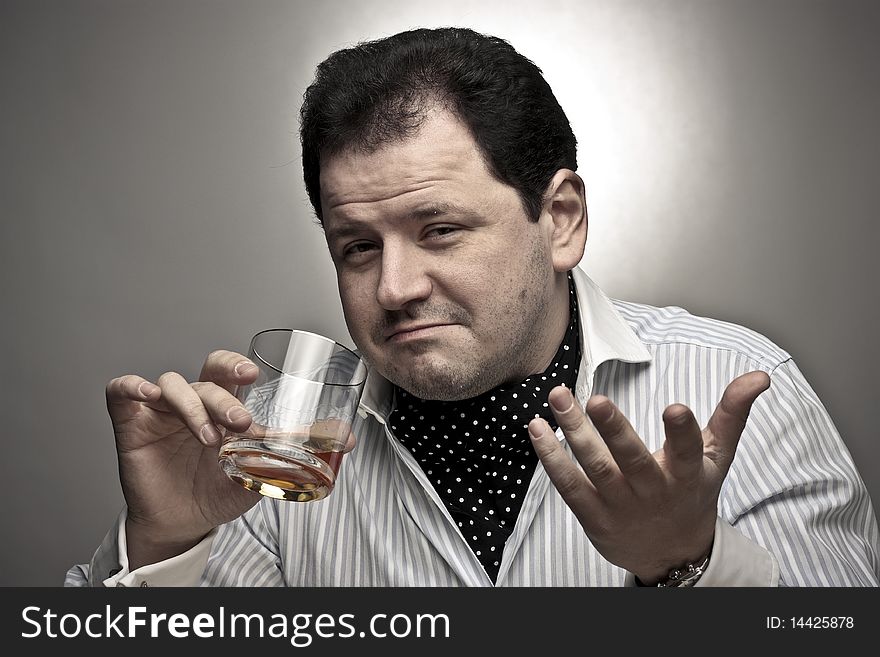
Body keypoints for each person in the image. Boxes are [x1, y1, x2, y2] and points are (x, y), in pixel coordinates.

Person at [66, 27, 878, 587]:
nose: (393, 288)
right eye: (357, 246)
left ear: (559, 220)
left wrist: (688, 563)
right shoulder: (271, 451)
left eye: (440, 229)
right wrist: (164, 547)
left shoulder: (735, 385)